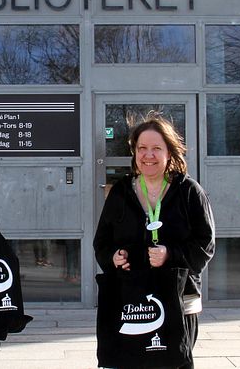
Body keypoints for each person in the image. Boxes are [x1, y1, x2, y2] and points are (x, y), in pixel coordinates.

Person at [93, 112, 215, 369]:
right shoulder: (121, 192)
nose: (148, 155)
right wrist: (113, 257)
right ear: (135, 152)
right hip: (130, 301)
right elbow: (102, 242)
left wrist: (171, 255)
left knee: (171, 363)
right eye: (142, 148)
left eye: (156, 148)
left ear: (169, 153)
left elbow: (205, 244)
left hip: (178, 301)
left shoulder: (189, 191)